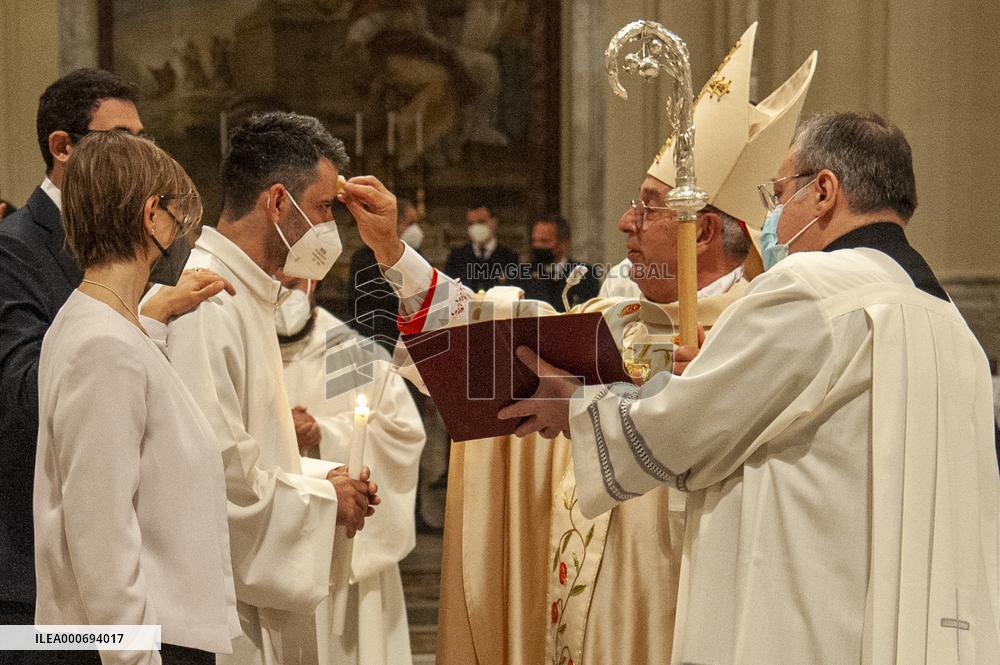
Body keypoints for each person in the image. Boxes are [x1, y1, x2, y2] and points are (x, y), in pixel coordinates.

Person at [343, 24, 817, 663]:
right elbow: (488, 332)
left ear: (700, 231)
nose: (625, 222)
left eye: (648, 206)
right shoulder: (611, 318)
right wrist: (392, 253)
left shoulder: (759, 339)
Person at [504, 112, 1000, 664]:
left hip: (802, 627)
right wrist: (720, 372)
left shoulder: (811, 290)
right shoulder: (953, 328)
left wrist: (573, 406)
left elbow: (680, 431)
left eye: (780, 194)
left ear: (823, 192)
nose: (773, 221)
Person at [0, 68, 230, 648]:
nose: (136, 153)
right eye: (120, 141)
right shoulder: (20, 254)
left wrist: (145, 321)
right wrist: (131, 653)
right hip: (70, 595)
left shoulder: (104, 318)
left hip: (131, 612)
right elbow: (30, 396)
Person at [156, 111, 380, 665]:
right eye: (324, 207)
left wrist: (322, 478)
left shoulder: (248, 291)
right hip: (227, 618)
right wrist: (326, 500)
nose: (330, 226)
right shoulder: (207, 299)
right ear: (278, 202)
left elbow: (252, 450)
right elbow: (214, 475)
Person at [277, 272, 425, 665]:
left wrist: (323, 433)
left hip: (347, 553)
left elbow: (402, 434)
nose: (283, 294)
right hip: (277, 545)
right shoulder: (243, 349)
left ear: (313, 282)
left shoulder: (352, 355)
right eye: (276, 282)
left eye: (293, 285)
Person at [347, 197, 421, 351]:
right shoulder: (364, 258)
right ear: (394, 224)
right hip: (374, 339)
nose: (416, 230)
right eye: (410, 224)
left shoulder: (417, 256)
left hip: (410, 340)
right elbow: (365, 303)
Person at [519, 213, 599, 311]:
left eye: (544, 241)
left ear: (564, 243)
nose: (537, 245)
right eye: (534, 240)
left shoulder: (585, 274)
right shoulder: (522, 273)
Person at [443, 204, 519, 293]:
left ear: (494, 222)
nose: (476, 228)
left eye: (481, 222)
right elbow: (448, 291)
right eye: (471, 223)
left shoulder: (509, 257)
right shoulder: (456, 257)